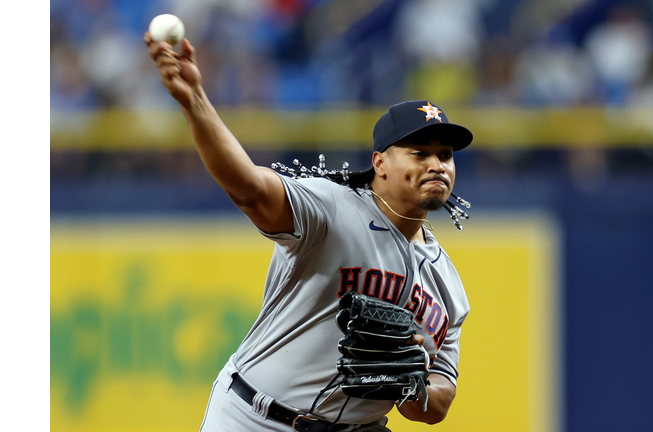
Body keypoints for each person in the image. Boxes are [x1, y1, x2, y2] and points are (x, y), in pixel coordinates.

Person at [146, 34, 472, 432]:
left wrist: (413, 379)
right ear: (380, 163)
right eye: (419, 153)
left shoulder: (447, 286)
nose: (437, 165)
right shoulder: (332, 208)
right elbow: (248, 188)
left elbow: (436, 405)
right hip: (257, 417)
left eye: (445, 155)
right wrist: (194, 100)